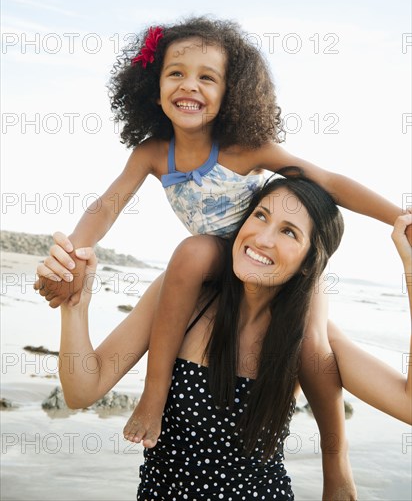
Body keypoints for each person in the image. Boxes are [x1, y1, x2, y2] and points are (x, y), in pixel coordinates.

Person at [34, 17, 410, 494]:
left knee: (311, 345)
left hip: (276, 274)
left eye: (207, 76)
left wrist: (403, 220)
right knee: (191, 254)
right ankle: (154, 394)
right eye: (176, 73)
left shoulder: (245, 148)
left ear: (231, 93)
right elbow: (105, 207)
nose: (189, 85)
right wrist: (73, 263)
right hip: (217, 257)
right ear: (153, 86)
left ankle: (338, 462)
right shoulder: (154, 153)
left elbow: (330, 183)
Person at [53, 177, 412, 500]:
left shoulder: (305, 339)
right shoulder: (185, 299)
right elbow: (82, 389)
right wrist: (76, 306)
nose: (263, 238)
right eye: (260, 216)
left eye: (289, 232)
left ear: (308, 263)